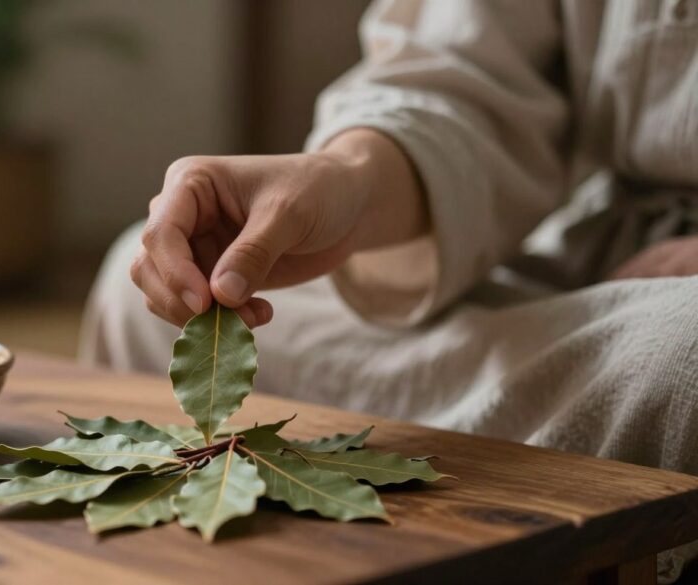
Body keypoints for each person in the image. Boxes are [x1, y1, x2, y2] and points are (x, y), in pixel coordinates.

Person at [80, 1, 698, 580]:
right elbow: (459, 78)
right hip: (584, 258)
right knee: (136, 278)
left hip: (674, 310)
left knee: (683, 349)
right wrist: (342, 178)